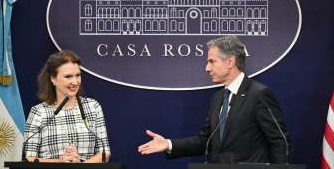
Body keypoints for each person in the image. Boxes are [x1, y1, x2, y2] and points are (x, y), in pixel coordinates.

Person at [138, 36, 293, 164]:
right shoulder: (218, 98)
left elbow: (281, 142)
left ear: (230, 61)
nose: (207, 68)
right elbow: (205, 141)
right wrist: (168, 144)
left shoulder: (258, 94)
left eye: (212, 61)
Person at [23, 50, 111, 163]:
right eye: (68, 77)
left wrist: (81, 166)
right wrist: (60, 162)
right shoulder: (39, 112)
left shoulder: (93, 107)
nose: (75, 82)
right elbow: (29, 157)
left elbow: (104, 153)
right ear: (53, 79)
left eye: (77, 75)